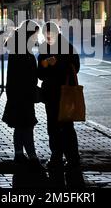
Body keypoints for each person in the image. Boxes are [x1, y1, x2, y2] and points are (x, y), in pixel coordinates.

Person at [38, 22, 81, 171]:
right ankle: (56, 156)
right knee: (53, 127)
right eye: (46, 35)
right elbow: (40, 73)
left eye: (50, 35)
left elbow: (76, 66)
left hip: (65, 93)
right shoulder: (43, 48)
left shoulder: (67, 47)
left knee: (67, 127)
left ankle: (72, 158)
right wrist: (45, 63)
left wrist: (58, 63)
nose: (48, 38)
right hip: (51, 94)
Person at [2, 20, 43, 169]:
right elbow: (25, 75)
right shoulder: (22, 51)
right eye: (35, 34)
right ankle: (32, 157)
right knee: (27, 125)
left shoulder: (19, 48)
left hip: (17, 94)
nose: (36, 38)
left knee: (21, 126)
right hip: (22, 95)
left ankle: (19, 154)